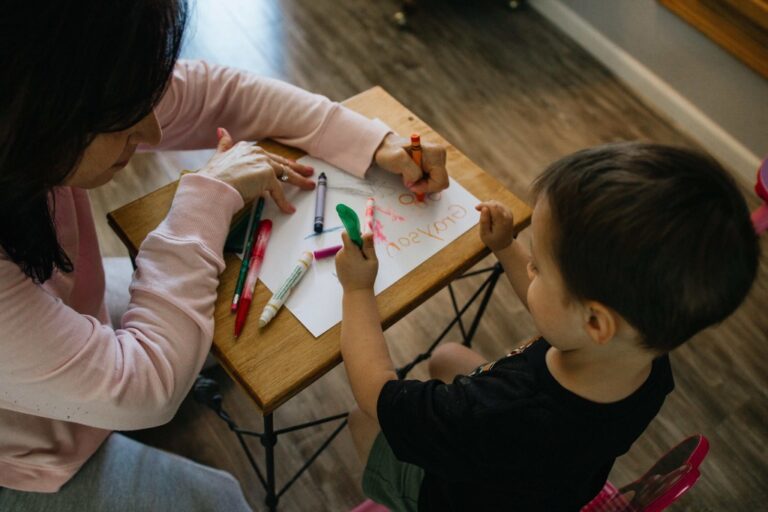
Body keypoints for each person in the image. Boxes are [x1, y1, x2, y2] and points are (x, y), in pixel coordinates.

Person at [0, 0, 449, 510]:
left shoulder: (41, 98)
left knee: (206, 325)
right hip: (22, 457)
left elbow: (217, 93)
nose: (152, 133)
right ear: (36, 111)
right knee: (221, 498)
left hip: (56, 328)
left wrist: (373, 141)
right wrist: (204, 198)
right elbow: (144, 386)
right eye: (124, 121)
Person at [335, 142, 759, 511]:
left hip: (457, 498)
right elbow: (560, 314)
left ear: (595, 321)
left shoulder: (498, 413)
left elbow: (376, 394)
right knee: (447, 356)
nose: (529, 268)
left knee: (360, 418)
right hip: (550, 490)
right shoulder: (646, 359)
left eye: (537, 266)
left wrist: (356, 290)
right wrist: (506, 247)